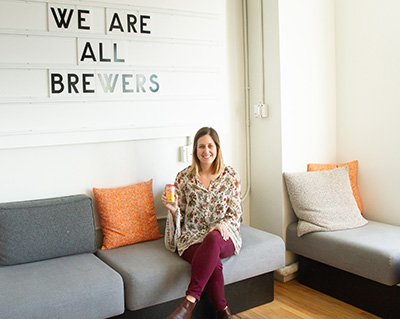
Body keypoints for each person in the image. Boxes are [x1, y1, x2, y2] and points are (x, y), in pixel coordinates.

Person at [162, 127, 242, 319]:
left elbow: (235, 211)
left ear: (217, 148)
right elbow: (179, 212)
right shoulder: (183, 177)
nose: (206, 151)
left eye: (210, 146)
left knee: (213, 239)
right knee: (211, 261)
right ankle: (224, 313)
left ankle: (189, 302)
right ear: (195, 150)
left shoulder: (230, 176)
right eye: (201, 147)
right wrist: (173, 211)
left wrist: (223, 225)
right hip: (192, 236)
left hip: (224, 234)